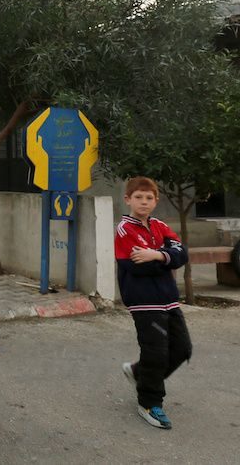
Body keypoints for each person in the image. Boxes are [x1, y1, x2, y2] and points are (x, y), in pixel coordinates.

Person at [115, 176, 191, 430]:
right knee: (156, 353)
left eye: (149, 198)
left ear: (156, 201)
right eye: (138, 197)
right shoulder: (124, 230)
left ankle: (140, 373)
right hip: (144, 301)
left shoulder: (160, 226)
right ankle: (149, 402)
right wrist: (167, 258)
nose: (144, 202)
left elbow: (182, 254)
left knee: (182, 348)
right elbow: (137, 267)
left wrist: (156, 255)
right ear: (128, 199)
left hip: (169, 299)